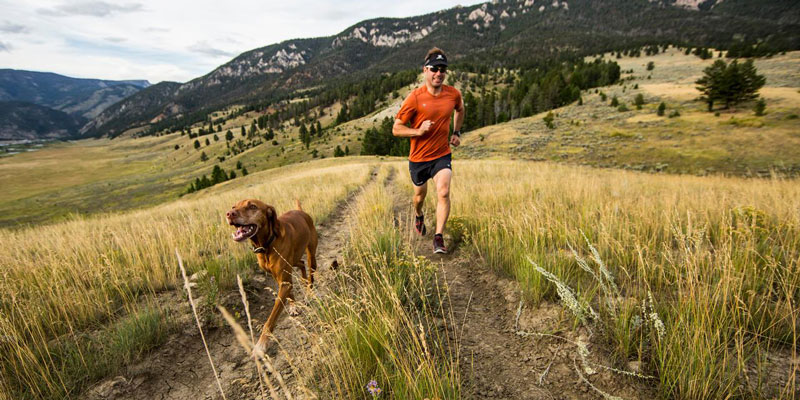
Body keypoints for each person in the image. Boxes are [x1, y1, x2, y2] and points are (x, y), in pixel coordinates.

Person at [393, 47, 465, 254]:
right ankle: (418, 215)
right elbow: (396, 129)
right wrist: (417, 131)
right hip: (418, 159)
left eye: (442, 69)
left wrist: (457, 132)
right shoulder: (415, 98)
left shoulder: (453, 94)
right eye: (434, 69)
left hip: (441, 154)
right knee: (419, 197)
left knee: (443, 192)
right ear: (425, 70)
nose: (439, 73)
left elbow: (460, 109)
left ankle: (438, 237)